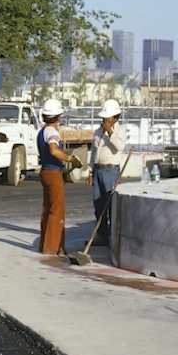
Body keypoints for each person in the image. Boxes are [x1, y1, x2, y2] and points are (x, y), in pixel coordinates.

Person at [37, 99, 82, 255]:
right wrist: (70, 159)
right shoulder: (52, 132)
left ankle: (45, 245)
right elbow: (54, 151)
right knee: (57, 211)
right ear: (58, 116)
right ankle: (53, 248)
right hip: (53, 172)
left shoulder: (42, 131)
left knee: (48, 209)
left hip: (45, 171)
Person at [86, 99, 126, 245]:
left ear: (115, 117)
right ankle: (102, 235)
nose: (104, 120)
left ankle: (113, 237)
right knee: (98, 205)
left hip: (111, 171)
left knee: (111, 206)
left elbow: (119, 147)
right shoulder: (98, 132)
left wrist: (110, 132)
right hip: (98, 170)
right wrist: (90, 171)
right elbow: (94, 152)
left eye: (107, 118)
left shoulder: (120, 131)